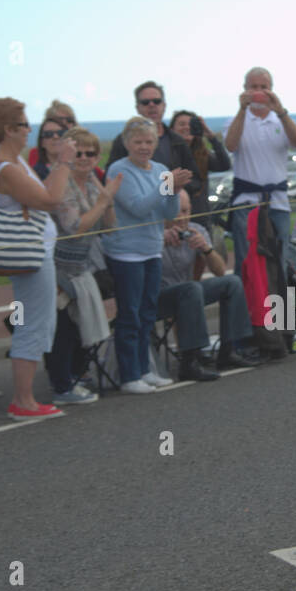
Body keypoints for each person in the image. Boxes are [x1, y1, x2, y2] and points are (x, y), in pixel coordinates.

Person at [0, 98, 78, 418]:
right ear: (8, 129)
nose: (29, 130)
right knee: (33, 324)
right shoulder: (7, 167)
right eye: (23, 125)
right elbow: (50, 200)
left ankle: (25, 398)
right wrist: (64, 162)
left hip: (36, 252)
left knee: (36, 321)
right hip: (31, 254)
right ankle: (23, 400)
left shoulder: (12, 163)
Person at [103, 116, 189, 393]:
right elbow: (138, 207)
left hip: (152, 249)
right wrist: (166, 186)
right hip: (126, 252)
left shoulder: (161, 169)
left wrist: (173, 190)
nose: (144, 147)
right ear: (127, 143)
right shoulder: (119, 170)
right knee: (130, 313)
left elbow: (168, 213)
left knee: (148, 312)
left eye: (149, 141)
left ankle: (144, 368)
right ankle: (129, 375)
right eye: (138, 141)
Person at [46, 127, 121, 403]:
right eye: (79, 152)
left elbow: (110, 228)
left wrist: (107, 201)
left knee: (78, 324)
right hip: (56, 264)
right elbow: (74, 226)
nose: (85, 158)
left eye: (91, 153)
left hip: (80, 264)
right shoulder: (62, 182)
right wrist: (102, 202)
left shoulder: (90, 181)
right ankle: (61, 386)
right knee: (63, 326)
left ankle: (75, 376)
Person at [156, 189, 258, 379]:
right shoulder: (153, 233)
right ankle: (190, 360)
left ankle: (230, 349)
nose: (181, 217)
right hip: (158, 296)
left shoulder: (196, 229)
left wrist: (207, 249)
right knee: (191, 288)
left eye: (186, 211)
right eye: (177, 211)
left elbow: (219, 271)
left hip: (188, 294)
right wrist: (159, 242)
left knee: (232, 282)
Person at [225, 66, 296, 276]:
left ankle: (278, 307)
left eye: (263, 87)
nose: (258, 91)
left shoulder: (281, 119)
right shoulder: (235, 121)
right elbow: (230, 145)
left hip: (278, 202)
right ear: (244, 89)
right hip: (246, 202)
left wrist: (281, 110)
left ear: (271, 89)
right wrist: (242, 109)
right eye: (253, 87)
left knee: (280, 261)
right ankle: (246, 308)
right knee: (246, 262)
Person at [106, 83, 199, 181]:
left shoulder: (177, 141)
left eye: (157, 101)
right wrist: (169, 184)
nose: (151, 105)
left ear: (164, 106)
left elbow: (194, 179)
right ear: (138, 108)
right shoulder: (122, 140)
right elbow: (111, 179)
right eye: (145, 102)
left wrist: (179, 190)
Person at [168, 110, 230, 226]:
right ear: (172, 130)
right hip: (174, 219)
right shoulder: (166, 154)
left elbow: (224, 165)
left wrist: (211, 137)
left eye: (190, 125)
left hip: (201, 216)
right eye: (182, 124)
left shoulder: (201, 154)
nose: (187, 128)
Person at [28, 101, 77, 168]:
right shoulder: (36, 154)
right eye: (60, 120)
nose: (65, 124)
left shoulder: (84, 150)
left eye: (69, 120)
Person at [34, 113, 71, 181]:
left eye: (60, 133)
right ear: (42, 143)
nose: (55, 137)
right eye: (48, 134)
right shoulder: (37, 173)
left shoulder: (79, 165)